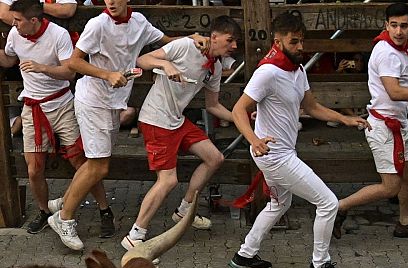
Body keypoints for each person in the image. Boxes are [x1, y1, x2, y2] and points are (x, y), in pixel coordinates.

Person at [48, 0, 207, 251]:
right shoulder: (98, 24)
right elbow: (74, 62)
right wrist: (107, 74)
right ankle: (64, 217)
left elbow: (167, 41)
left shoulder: (139, 22)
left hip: (114, 103)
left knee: (95, 163)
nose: (111, 2)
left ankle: (64, 202)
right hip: (93, 101)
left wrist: (192, 37)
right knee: (99, 166)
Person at [227, 10, 369, 268]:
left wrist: (345, 119)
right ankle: (320, 265)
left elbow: (312, 107)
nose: (300, 47)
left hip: (282, 154)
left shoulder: (298, 70)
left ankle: (245, 255)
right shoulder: (267, 72)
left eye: (302, 40)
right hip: (274, 156)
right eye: (294, 41)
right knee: (328, 203)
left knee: (279, 204)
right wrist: (253, 140)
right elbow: (238, 110)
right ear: (278, 42)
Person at [121, 16, 240, 251]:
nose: (234, 46)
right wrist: (166, 65)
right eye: (230, 40)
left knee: (215, 158)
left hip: (176, 121)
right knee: (168, 180)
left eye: (236, 41)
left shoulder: (215, 67)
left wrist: (242, 120)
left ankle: (184, 211)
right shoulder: (186, 46)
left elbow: (213, 105)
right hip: (156, 120)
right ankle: (135, 235)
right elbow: (142, 60)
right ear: (214, 37)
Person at [332, 2, 408, 241]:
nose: (398, 31)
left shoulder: (403, 48)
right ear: (386, 25)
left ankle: (404, 224)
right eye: (394, 25)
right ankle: (339, 207)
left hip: (398, 120)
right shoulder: (386, 52)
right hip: (383, 127)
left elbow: (392, 91)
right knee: (390, 186)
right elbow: (394, 91)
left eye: (403, 26)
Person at [0, 0, 109, 234]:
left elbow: (69, 73)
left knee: (81, 162)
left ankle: (104, 209)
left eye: (18, 20)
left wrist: (43, 68)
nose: (13, 24)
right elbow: (8, 59)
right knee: (33, 169)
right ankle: (44, 211)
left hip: (61, 104)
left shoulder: (58, 34)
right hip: (32, 108)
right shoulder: (15, 34)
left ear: (34, 20)